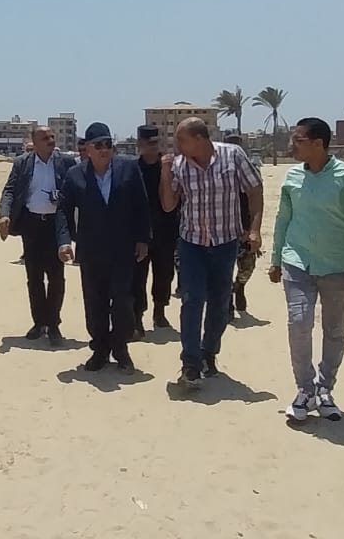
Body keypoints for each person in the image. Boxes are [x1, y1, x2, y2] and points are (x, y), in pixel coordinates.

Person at [269, 116, 344, 423]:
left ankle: (325, 390)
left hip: (338, 266)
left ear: (318, 144)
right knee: (299, 323)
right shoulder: (292, 177)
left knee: (334, 332)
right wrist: (275, 258)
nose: (292, 145)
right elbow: (283, 219)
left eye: (298, 140)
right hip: (297, 262)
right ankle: (305, 389)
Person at [160, 117, 263, 387]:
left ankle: (209, 352)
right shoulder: (179, 165)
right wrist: (166, 172)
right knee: (192, 299)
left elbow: (255, 190)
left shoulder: (233, 155)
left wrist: (254, 229)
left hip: (225, 242)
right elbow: (168, 205)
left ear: (199, 139)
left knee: (219, 303)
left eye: (181, 140)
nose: (177, 146)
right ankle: (190, 363)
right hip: (192, 243)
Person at [56, 122, 150, 373]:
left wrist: (143, 239)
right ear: (87, 148)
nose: (104, 149)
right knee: (95, 303)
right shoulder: (75, 175)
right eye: (98, 145)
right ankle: (99, 349)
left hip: (123, 250)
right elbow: (63, 211)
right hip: (91, 251)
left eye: (108, 144)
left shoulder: (128, 168)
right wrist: (64, 241)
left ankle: (120, 348)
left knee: (122, 302)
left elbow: (141, 206)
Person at [0, 126, 75, 346]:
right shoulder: (22, 163)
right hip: (31, 225)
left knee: (56, 277)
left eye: (52, 137)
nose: (50, 140)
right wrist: (4, 215)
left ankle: (54, 324)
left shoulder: (65, 162)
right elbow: (9, 190)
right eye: (45, 137)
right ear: (34, 141)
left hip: (56, 225)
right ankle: (39, 322)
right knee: (34, 278)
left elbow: (76, 191)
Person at [132, 124, 178, 336]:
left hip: (165, 231)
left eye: (155, 143)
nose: (152, 147)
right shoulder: (133, 169)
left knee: (164, 275)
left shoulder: (170, 167)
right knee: (137, 278)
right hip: (139, 233)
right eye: (148, 143)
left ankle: (159, 311)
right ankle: (137, 317)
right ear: (139, 144)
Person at [223, 133, 257, 318]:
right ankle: (227, 301)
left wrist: (251, 228)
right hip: (223, 228)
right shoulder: (218, 170)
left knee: (247, 266)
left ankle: (239, 287)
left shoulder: (250, 170)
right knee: (224, 269)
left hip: (245, 226)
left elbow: (255, 201)